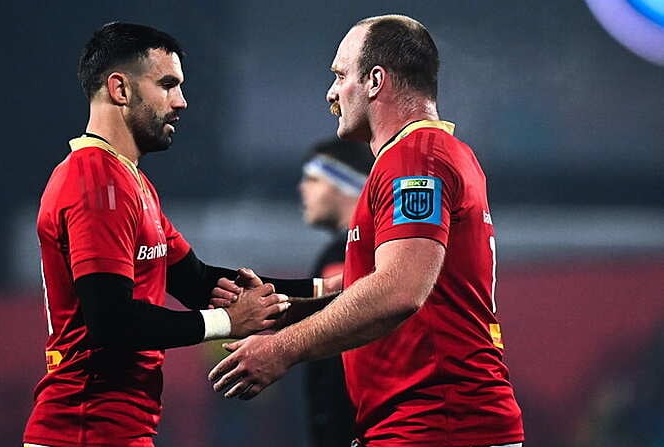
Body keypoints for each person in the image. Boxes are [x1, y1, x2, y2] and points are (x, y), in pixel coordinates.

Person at [209, 15, 525, 447]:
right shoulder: (432, 154)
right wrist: (285, 309)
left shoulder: (416, 159)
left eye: (340, 75)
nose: (331, 93)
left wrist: (281, 349)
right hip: (431, 423)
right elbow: (391, 285)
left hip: (439, 424)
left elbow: (400, 290)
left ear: (376, 80)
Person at [22, 22, 325, 447]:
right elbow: (111, 321)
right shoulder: (95, 181)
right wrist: (228, 323)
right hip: (84, 429)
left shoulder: (131, 183)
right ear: (120, 90)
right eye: (167, 85)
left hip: (113, 431)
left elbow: (201, 282)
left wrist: (334, 288)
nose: (181, 102)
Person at [299, 139, 371, 447]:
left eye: (313, 180)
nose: (303, 189)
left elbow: (336, 351)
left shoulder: (344, 253)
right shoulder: (379, 247)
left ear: (347, 185)